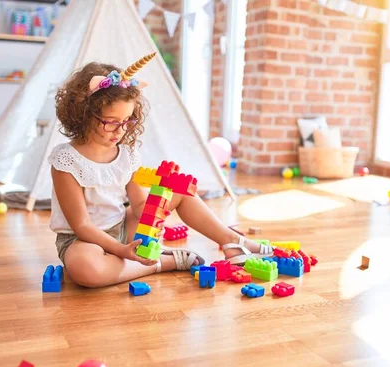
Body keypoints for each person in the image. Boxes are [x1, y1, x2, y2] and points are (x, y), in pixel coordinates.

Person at [49, 53, 273, 288]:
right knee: (87, 271)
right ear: (83, 115)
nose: (119, 131)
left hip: (122, 228)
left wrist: (161, 200)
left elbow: (138, 206)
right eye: (111, 122)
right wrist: (122, 250)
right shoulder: (66, 160)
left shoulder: (125, 155)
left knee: (180, 190)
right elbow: (82, 225)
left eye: (126, 122)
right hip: (83, 241)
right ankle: (162, 263)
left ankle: (233, 243)